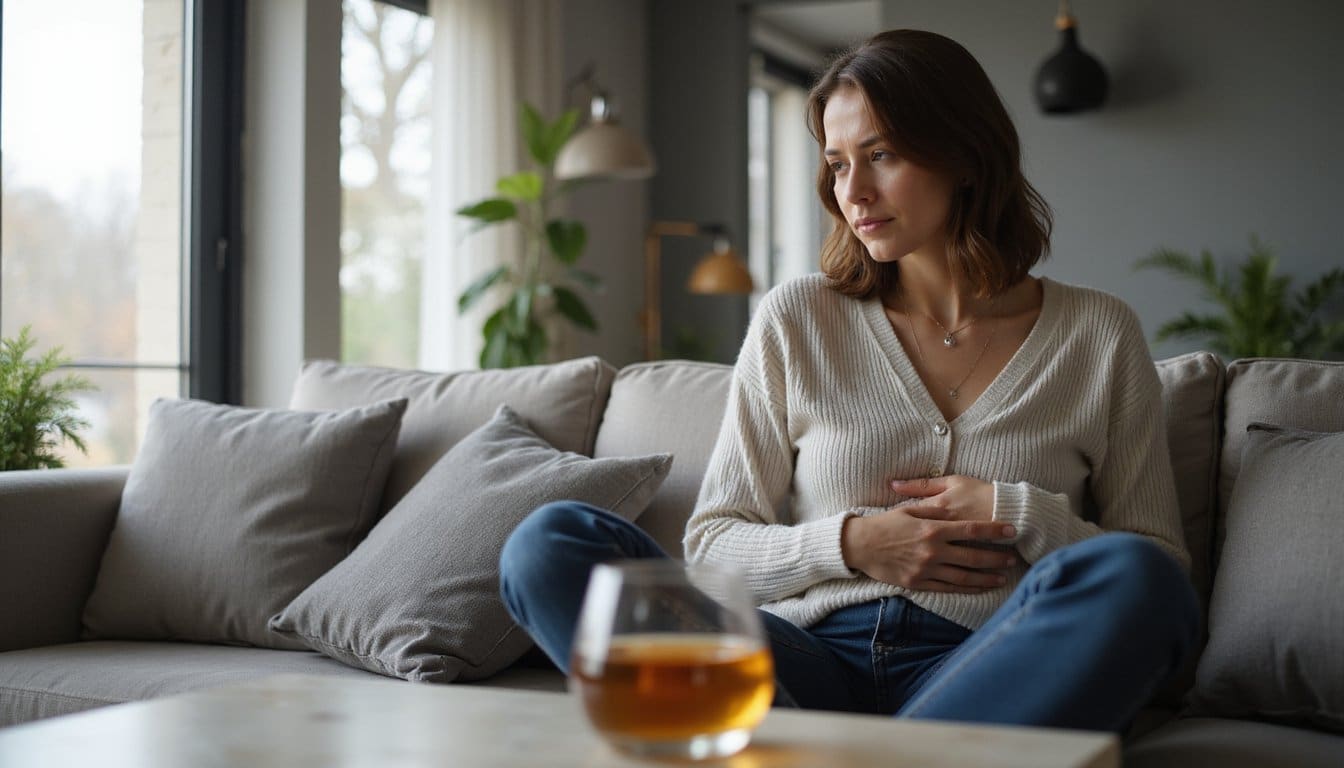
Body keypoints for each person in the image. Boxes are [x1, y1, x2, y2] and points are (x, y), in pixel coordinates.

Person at [498, 29, 1200, 731]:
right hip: (796, 661)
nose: (852, 192)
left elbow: (1162, 568)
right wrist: (853, 543)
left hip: (991, 661)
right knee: (548, 545)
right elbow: (714, 541)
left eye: (882, 155)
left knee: (1140, 582)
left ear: (963, 153)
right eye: (836, 163)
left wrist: (1019, 513)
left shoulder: (1099, 333)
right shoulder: (797, 318)